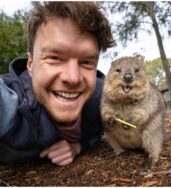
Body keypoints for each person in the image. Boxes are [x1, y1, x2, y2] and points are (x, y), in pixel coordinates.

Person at [0, 2, 114, 166]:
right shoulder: (10, 101)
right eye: (54, 58)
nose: (73, 78)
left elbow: (104, 129)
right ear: (30, 65)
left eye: (87, 62)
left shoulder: (101, 100)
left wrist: (78, 147)